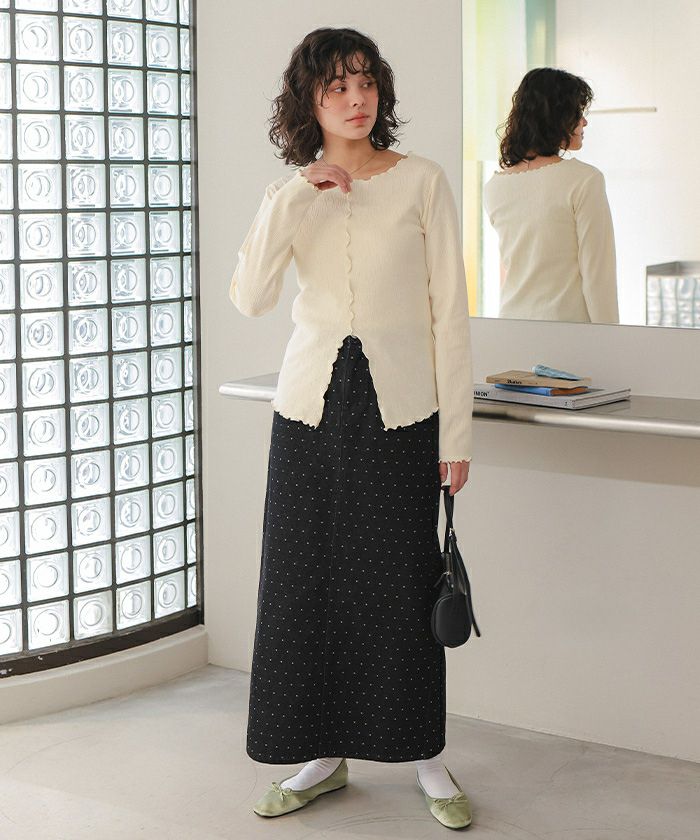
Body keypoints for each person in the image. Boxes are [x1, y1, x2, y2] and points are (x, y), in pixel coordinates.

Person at [229, 27, 474, 829]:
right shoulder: (291, 192)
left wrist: (457, 437)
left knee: (403, 589)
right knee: (305, 588)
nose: (355, 98)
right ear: (310, 100)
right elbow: (250, 296)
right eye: (336, 86)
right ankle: (321, 756)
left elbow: (450, 317)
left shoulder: (422, 181)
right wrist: (299, 193)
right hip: (310, 414)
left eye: (365, 82)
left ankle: (426, 756)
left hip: (401, 414)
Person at [482, 67, 619, 324]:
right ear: (557, 116)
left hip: (511, 327)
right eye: (578, 113)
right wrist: (612, 338)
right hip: (568, 334)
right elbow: (598, 277)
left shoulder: (495, 187)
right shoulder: (584, 180)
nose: (584, 122)